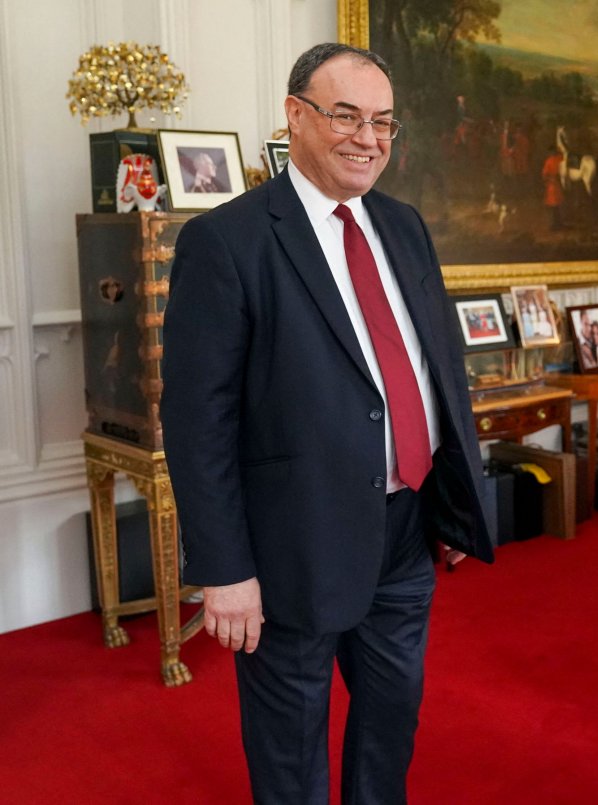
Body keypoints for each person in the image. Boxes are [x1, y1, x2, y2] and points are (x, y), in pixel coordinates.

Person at [160, 43, 493, 804]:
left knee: (390, 729)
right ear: (295, 115)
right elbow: (195, 420)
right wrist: (224, 569)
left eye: (382, 122)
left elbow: (436, 366)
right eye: (345, 115)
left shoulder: (404, 226)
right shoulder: (226, 242)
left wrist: (448, 492)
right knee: (292, 758)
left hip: (404, 533)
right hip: (291, 546)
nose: (367, 138)